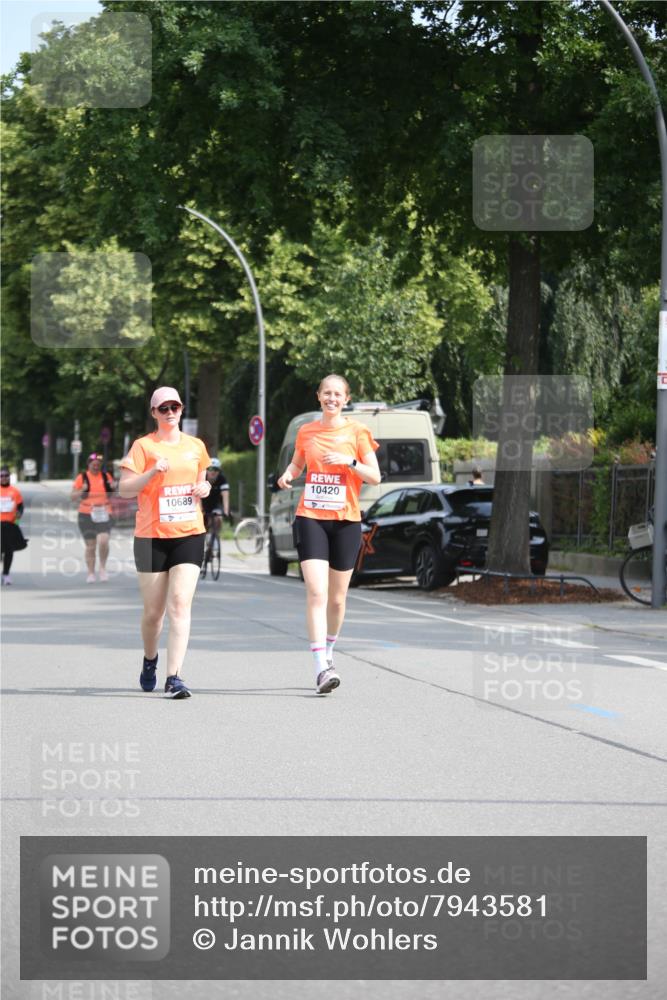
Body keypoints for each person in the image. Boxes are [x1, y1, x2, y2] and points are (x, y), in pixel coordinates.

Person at [277, 374, 381, 694]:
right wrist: (287, 475)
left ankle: (330, 649)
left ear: (345, 400)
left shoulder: (358, 432)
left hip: (346, 521)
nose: (331, 398)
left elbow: (375, 476)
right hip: (311, 518)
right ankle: (321, 665)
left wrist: (349, 461)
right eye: (327, 393)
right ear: (318, 397)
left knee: (337, 599)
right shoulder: (306, 431)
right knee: (317, 593)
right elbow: (297, 465)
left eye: (338, 394)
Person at [119, 387, 211, 700]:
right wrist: (149, 473)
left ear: (182, 409)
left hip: (189, 532)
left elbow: (202, 479)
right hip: (150, 537)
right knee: (153, 613)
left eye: (175, 407)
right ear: (154, 413)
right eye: (163, 408)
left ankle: (174, 677)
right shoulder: (143, 446)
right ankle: (149, 660)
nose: (170, 412)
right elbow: (125, 490)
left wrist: (205, 487)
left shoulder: (196, 446)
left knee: (180, 604)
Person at [71, 453, 114, 583]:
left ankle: (102, 568)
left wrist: (113, 488)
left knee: (104, 540)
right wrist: (82, 490)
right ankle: (90, 572)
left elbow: (112, 494)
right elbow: (72, 497)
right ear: (88, 465)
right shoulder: (82, 478)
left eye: (98, 465)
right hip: (86, 513)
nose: (96, 467)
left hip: (104, 512)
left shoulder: (106, 476)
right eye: (93, 464)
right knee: (91, 545)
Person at [0, 466, 27, 585]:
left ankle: (6, 574)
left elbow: (20, 506)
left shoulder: (15, 491)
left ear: (9, 477)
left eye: (6, 475)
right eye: (1, 476)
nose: (4, 478)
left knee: (9, 550)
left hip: (10, 524)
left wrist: (19, 514)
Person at [201, 457, 231, 539]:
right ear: (206, 470)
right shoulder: (202, 478)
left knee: (218, 518)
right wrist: (200, 510)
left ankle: (216, 535)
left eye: (216, 469)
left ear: (219, 471)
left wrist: (226, 510)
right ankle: (206, 539)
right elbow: (198, 496)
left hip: (216, 504)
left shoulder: (222, 479)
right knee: (205, 523)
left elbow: (225, 495)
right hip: (204, 503)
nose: (213, 472)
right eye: (210, 469)